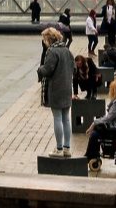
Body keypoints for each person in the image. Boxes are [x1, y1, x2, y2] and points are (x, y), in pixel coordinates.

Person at [37, 27, 73, 157]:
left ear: (49, 39)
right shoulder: (66, 50)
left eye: (44, 39)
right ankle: (67, 148)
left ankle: (58, 149)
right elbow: (73, 68)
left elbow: (47, 70)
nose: (44, 42)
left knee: (57, 118)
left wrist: (40, 69)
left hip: (56, 89)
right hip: (67, 88)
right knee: (66, 119)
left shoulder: (52, 51)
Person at [85, 78, 116, 160]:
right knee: (96, 131)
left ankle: (90, 156)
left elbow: (108, 118)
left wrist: (94, 123)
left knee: (95, 134)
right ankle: (92, 154)